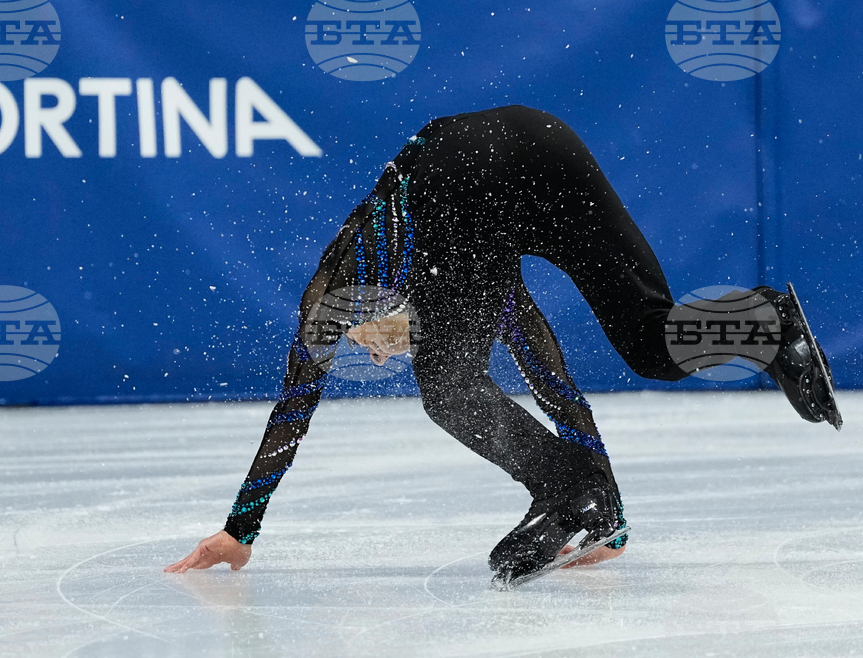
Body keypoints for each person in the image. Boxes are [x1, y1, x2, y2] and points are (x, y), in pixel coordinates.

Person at [164, 105, 838, 583]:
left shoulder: (340, 281)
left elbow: (293, 410)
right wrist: (609, 511)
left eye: (369, 346)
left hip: (472, 169)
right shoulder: (461, 267)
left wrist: (240, 528)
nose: (379, 354)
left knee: (448, 387)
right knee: (651, 344)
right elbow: (550, 374)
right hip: (543, 140)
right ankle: (765, 322)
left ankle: (569, 495)